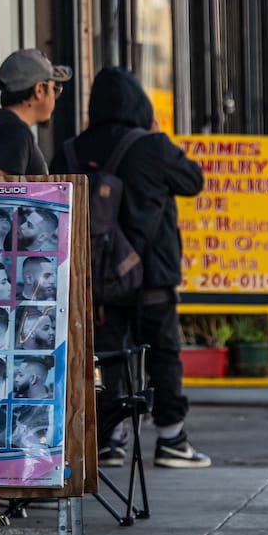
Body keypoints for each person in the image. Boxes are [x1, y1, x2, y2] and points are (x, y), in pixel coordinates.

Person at [66, 66, 209, 468]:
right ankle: (171, 439)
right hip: (150, 273)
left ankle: (110, 439)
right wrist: (157, 135)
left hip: (97, 278)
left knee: (109, 353)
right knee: (162, 353)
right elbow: (193, 181)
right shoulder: (153, 145)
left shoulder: (73, 149)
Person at [0, 48, 71, 178]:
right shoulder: (16, 132)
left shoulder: (5, 125)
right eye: (55, 89)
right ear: (39, 90)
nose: (54, 98)